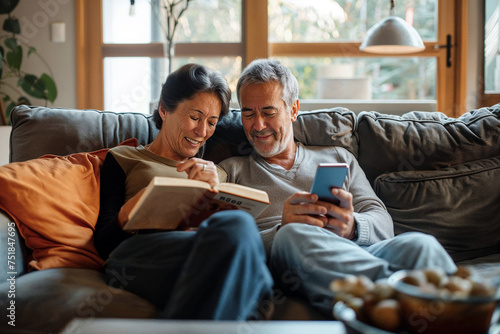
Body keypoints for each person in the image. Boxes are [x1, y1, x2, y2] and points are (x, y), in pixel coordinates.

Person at [219, 59, 457, 317]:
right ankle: (399, 290)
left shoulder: (338, 157)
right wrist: (279, 231)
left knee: (421, 245)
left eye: (269, 111)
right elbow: (228, 244)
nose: (258, 125)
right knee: (293, 234)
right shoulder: (231, 171)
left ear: (293, 109)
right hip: (297, 258)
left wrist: (353, 226)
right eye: (248, 113)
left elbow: (383, 223)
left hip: (357, 251)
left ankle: (454, 308)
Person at [94, 63, 273, 320]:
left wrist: (215, 188)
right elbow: (103, 244)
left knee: (239, 228)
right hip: (141, 253)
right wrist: (137, 206)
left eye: (211, 122)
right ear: (164, 110)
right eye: (195, 117)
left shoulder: (217, 173)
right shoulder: (124, 158)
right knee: (245, 256)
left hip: (205, 249)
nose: (202, 132)